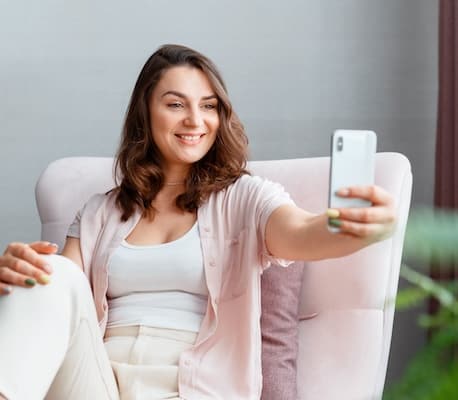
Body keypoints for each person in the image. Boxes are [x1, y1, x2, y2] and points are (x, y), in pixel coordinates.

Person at [0, 44, 397, 400]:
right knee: (47, 270)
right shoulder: (99, 212)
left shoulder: (245, 197)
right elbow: (57, 296)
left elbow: (300, 233)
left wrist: (347, 228)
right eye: (176, 105)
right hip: (96, 382)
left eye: (208, 106)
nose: (195, 120)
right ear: (146, 113)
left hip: (193, 387)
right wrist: (20, 275)